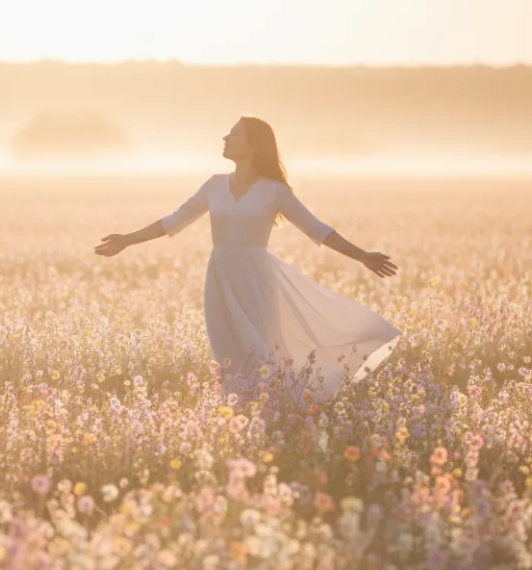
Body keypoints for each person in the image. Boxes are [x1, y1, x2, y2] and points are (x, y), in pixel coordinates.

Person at [94, 116, 401, 401]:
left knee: (260, 350)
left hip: (256, 280)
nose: (226, 137)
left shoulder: (274, 191)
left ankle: (277, 412)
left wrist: (362, 256)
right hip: (220, 278)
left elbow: (317, 229)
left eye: (235, 133)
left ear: (253, 145)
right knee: (227, 353)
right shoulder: (214, 185)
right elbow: (173, 221)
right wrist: (127, 240)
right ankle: (240, 414)